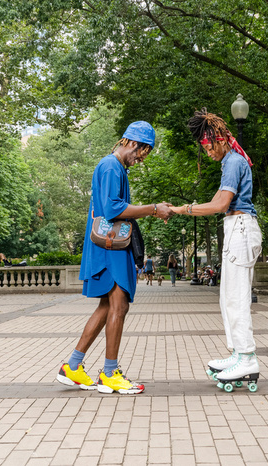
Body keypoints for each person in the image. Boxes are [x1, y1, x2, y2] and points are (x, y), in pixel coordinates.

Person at [56, 121, 173, 395]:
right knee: (118, 307)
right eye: (140, 153)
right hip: (111, 248)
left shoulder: (115, 167)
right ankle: (109, 373)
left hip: (107, 246)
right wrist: (154, 209)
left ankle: (73, 366)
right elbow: (112, 209)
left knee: (108, 307)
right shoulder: (111, 166)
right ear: (131, 143)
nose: (139, 160)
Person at [171, 108, 262, 386]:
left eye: (209, 147)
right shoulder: (230, 163)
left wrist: (183, 209)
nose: (208, 153)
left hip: (241, 229)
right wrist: (182, 209)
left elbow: (220, 205)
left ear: (220, 140)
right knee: (228, 298)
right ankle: (238, 353)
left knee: (236, 298)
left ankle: (247, 357)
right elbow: (217, 201)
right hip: (236, 229)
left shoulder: (233, 162)